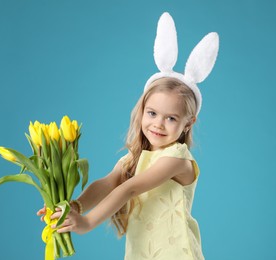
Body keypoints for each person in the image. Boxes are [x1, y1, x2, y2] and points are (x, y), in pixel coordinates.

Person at [38, 12, 219, 260]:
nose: (158, 124)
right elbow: (108, 182)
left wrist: (88, 222)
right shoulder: (135, 158)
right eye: (152, 113)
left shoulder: (178, 159)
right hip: (142, 253)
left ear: (188, 124)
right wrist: (75, 207)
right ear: (142, 110)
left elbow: (130, 188)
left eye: (171, 118)